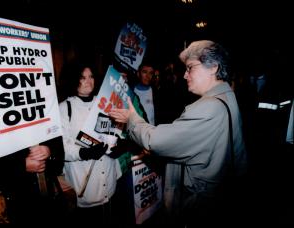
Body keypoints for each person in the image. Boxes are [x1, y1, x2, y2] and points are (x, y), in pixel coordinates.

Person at [109, 40, 248, 228]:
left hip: (198, 204)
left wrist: (132, 119)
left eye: (190, 68)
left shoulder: (209, 107)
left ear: (213, 67)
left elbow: (154, 140)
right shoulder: (228, 97)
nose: (184, 75)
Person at [0, 108, 64, 224]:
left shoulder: (39, 104)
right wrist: (21, 166)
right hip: (15, 200)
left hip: (49, 194)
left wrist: (49, 150)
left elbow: (57, 144)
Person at [58, 62, 122, 225]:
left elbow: (115, 132)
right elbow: (61, 148)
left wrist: (117, 145)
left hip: (110, 180)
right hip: (85, 185)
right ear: (73, 80)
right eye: (82, 78)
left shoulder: (105, 103)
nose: (88, 81)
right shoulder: (64, 108)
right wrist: (83, 153)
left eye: (91, 76)